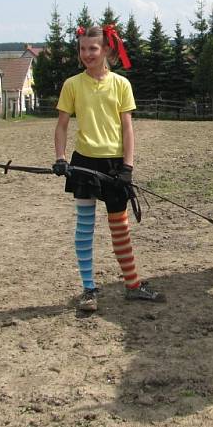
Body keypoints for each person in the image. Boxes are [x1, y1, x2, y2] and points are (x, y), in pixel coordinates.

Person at [53, 24, 165, 311]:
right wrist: (61, 158)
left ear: (106, 50)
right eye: (82, 49)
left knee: (120, 228)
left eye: (93, 48)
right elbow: (62, 125)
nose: (87, 54)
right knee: (84, 227)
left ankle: (133, 285)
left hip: (115, 165)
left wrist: (128, 166)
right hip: (84, 163)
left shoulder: (121, 85)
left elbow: (128, 128)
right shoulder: (72, 85)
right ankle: (89, 290)